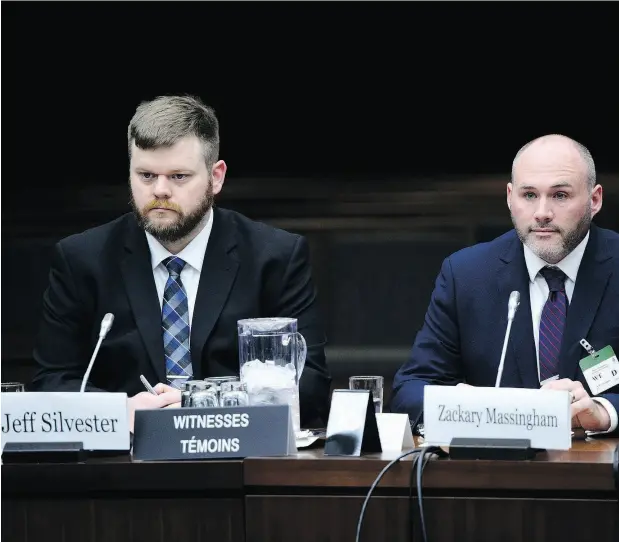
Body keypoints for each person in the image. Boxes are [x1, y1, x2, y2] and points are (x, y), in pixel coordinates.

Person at [30, 94, 331, 430]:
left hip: (238, 464)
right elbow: (50, 385)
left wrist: (201, 403)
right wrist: (117, 411)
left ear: (216, 177)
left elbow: (311, 387)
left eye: (178, 177)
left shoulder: (275, 257)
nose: (160, 190)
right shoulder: (82, 259)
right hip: (124, 467)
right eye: (146, 175)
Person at [392, 134, 619, 435]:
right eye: (528, 195)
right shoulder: (467, 274)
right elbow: (410, 389)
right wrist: (465, 404)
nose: (542, 213)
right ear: (510, 197)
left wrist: (604, 412)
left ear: (595, 199)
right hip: (494, 472)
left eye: (560, 195)